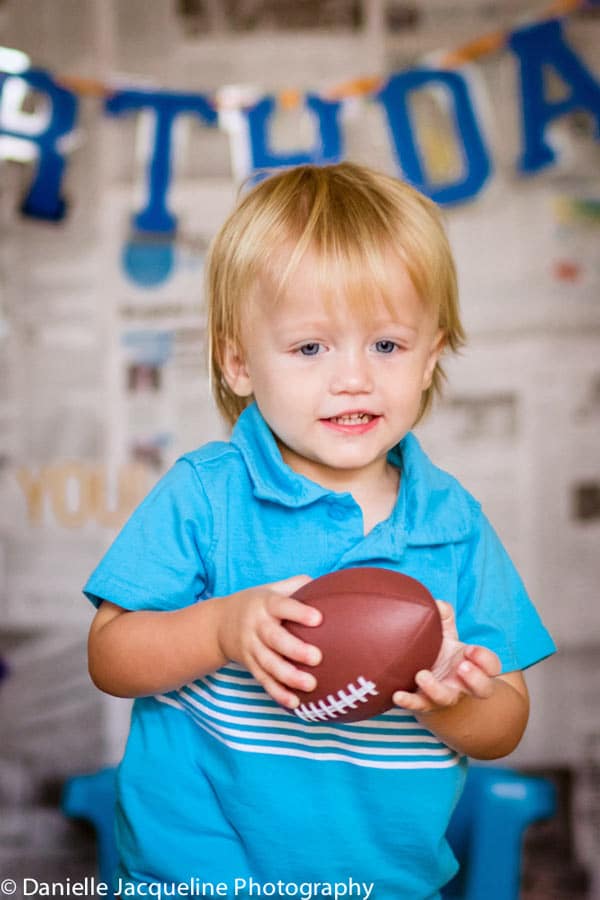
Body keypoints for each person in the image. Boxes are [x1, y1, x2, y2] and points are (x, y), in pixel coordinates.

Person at [84, 162, 555, 899]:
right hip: (197, 880)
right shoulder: (209, 495)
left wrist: (459, 701)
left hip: (384, 884)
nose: (354, 379)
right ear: (237, 361)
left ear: (432, 356)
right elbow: (111, 658)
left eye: (388, 346)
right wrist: (222, 629)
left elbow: (508, 721)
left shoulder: (452, 524)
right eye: (311, 348)